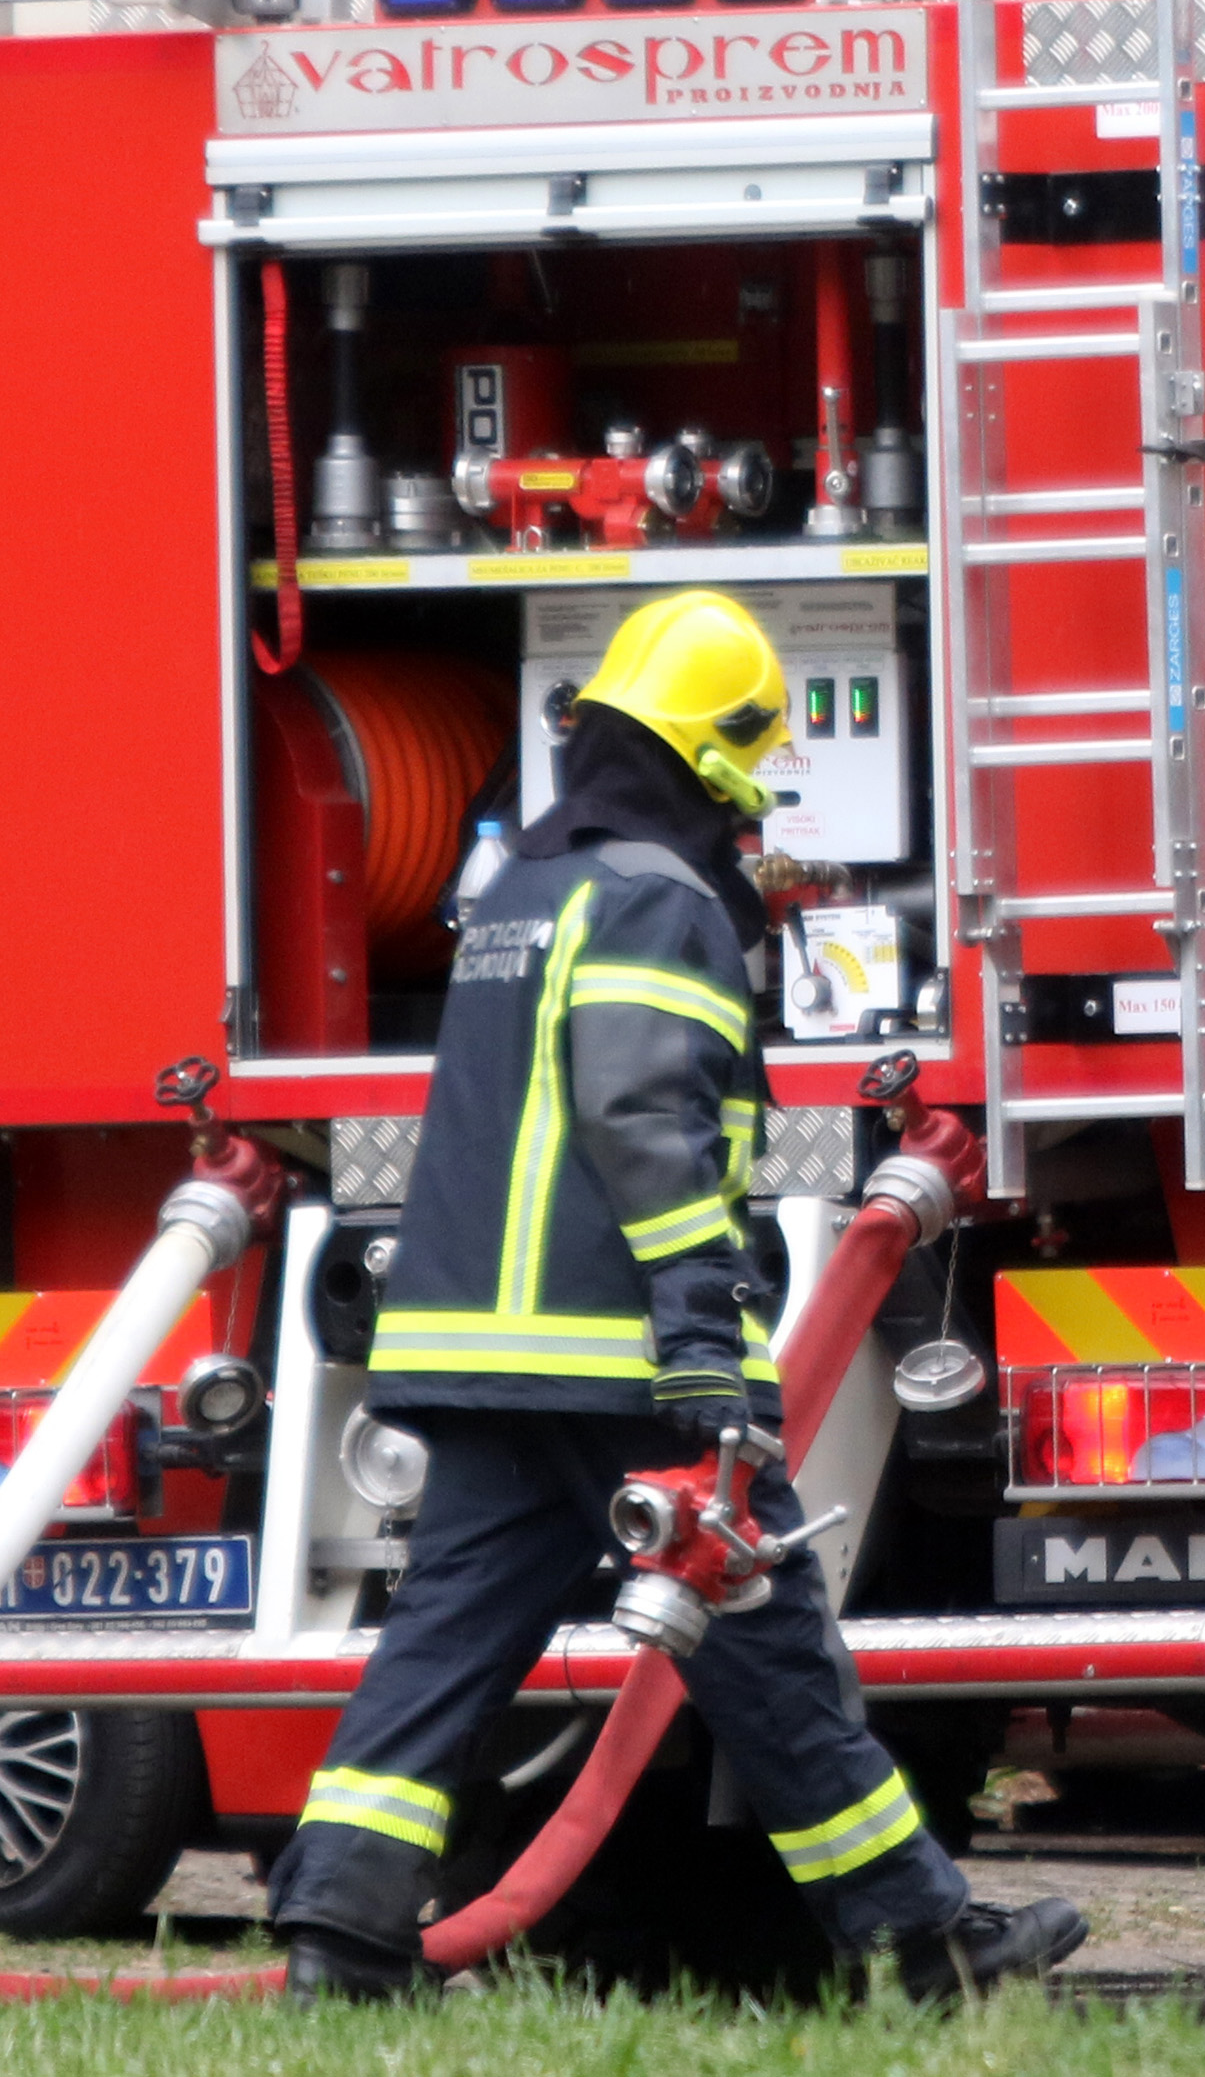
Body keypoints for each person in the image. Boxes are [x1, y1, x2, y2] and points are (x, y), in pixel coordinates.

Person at [265, 589, 1084, 2003]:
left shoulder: (523, 888)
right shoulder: (661, 898)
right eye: (749, 770)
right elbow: (644, 1118)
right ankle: (920, 1941)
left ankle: (339, 1938)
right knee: (769, 1644)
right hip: (620, 1359)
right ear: (712, 759)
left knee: (440, 1649)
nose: (755, 807)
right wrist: (704, 1336)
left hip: (481, 1360)